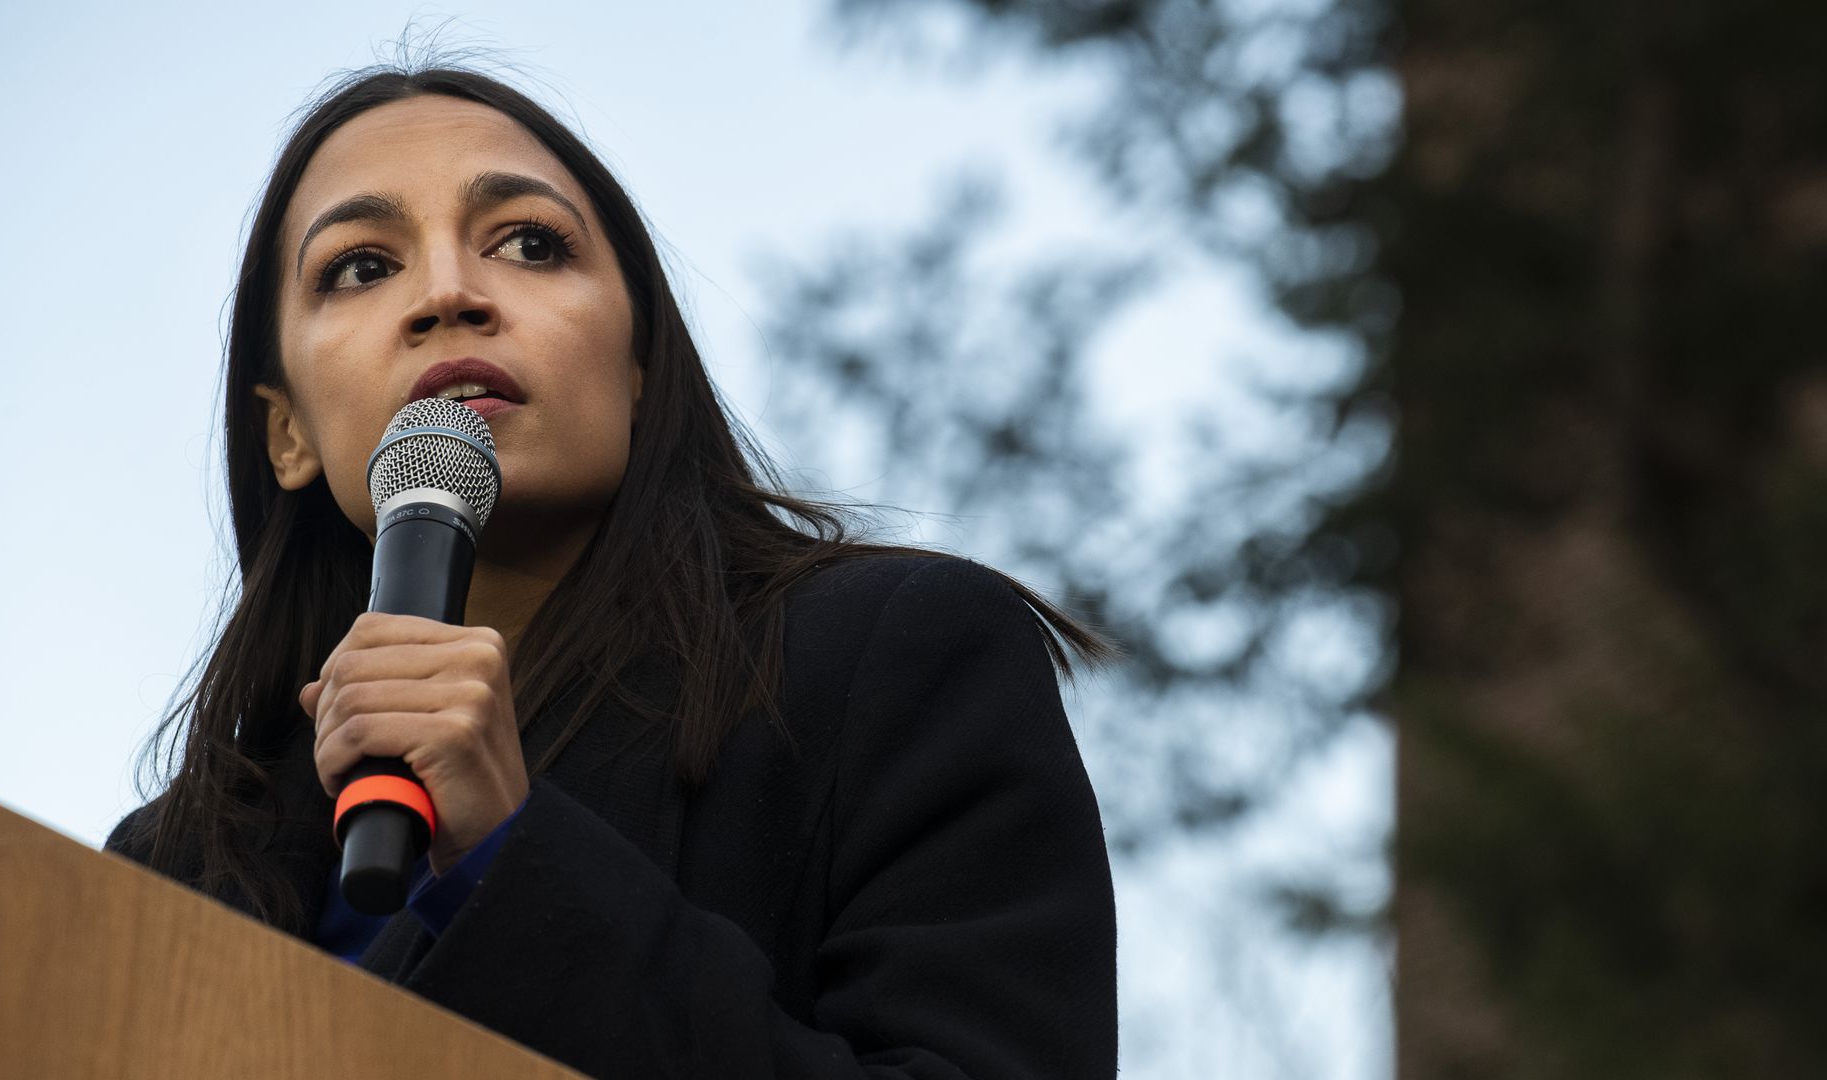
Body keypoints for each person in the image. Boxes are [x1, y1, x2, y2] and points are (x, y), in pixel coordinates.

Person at [105, 64, 1117, 1079]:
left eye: (530, 244)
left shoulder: (893, 655)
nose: (448, 293)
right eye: (362, 268)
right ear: (286, 434)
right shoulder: (167, 873)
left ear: (637, 369)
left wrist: (511, 864)